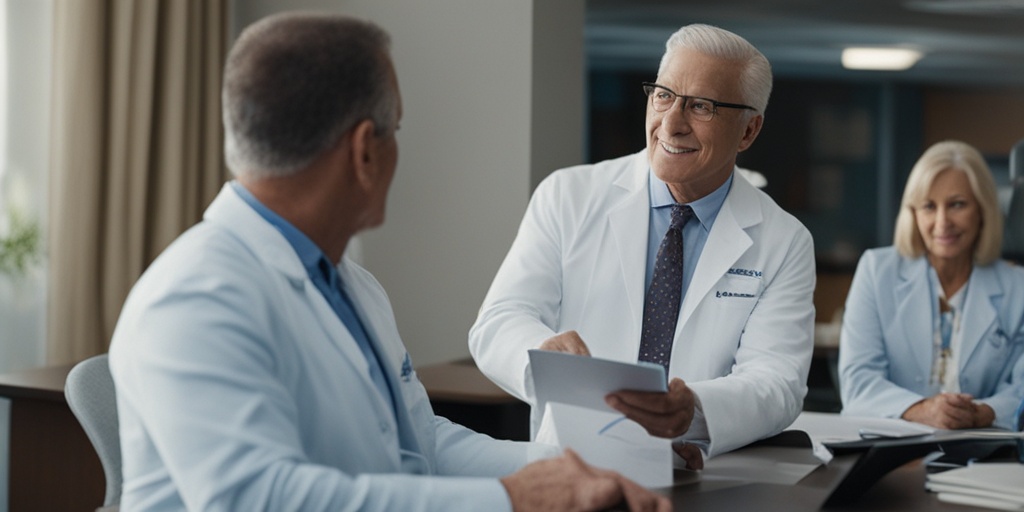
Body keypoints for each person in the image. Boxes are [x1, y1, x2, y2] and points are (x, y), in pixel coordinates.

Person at [108, 12, 670, 511]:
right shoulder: (196, 296)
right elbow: (256, 498)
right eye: (395, 130)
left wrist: (567, 467)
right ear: (365, 151)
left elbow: (419, 444)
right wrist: (511, 499)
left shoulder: (350, 285)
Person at [469, 23, 816, 464]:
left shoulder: (783, 241)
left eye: (702, 107)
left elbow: (777, 381)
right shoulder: (567, 196)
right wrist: (542, 355)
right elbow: (498, 321)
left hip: (699, 475)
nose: (672, 124)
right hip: (573, 465)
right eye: (664, 95)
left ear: (748, 131)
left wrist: (694, 410)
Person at [839, 140, 1024, 430]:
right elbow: (858, 382)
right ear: (913, 214)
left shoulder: (1018, 288)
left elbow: (1020, 389)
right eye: (928, 206)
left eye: (957, 205)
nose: (942, 223)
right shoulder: (877, 271)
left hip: (982, 452)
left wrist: (983, 412)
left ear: (983, 210)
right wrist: (923, 410)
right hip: (890, 448)